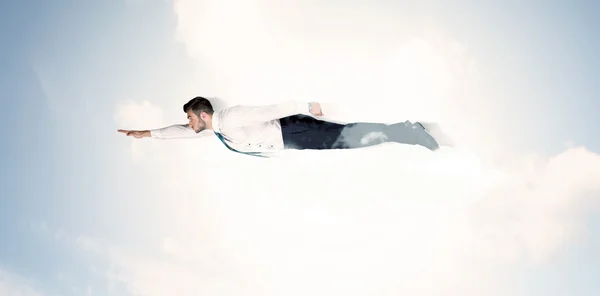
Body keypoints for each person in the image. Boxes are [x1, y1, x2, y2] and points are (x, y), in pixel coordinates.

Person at [118, 96, 451, 157]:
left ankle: (410, 131)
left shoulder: (231, 118)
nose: (187, 122)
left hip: (294, 130)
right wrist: (146, 134)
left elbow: (270, 109)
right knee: (352, 140)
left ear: (203, 114)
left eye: (190, 117)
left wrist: (306, 106)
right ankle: (408, 130)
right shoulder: (216, 127)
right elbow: (179, 130)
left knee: (353, 137)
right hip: (292, 138)